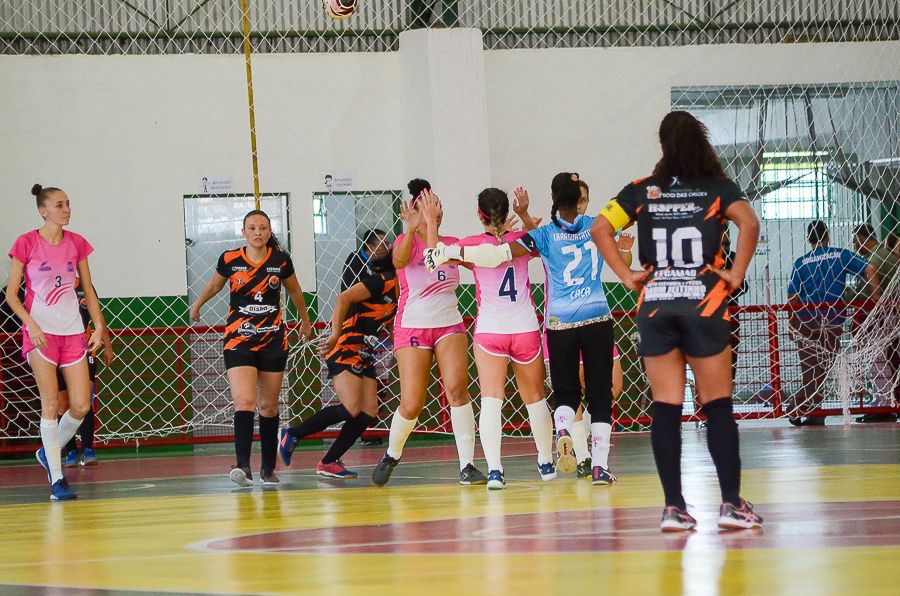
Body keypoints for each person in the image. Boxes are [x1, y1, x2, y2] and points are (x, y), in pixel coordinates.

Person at [591, 110, 763, 531]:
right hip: (704, 305)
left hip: (657, 307)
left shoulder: (641, 191)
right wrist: (736, 273)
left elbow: (599, 228)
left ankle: (673, 507)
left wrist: (627, 274)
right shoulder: (719, 189)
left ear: (663, 145)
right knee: (717, 404)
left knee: (665, 407)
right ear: (701, 142)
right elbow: (750, 223)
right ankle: (730, 504)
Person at [422, 189, 556, 490]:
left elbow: (432, 260)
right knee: (535, 398)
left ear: (479, 214)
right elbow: (544, 243)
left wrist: (431, 223)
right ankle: (546, 462)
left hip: (490, 331)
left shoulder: (470, 245)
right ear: (505, 210)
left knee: (491, 400)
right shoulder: (520, 242)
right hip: (524, 328)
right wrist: (523, 218)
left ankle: (495, 470)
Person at [371, 179, 486, 487]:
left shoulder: (450, 242)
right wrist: (411, 229)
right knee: (411, 403)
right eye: (429, 207)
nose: (436, 212)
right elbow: (398, 261)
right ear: (416, 212)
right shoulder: (403, 241)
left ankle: (467, 466)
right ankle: (392, 454)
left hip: (449, 325)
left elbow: (451, 262)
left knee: (458, 391)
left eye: (439, 206)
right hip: (412, 327)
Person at [190, 210, 313, 487]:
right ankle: (243, 466)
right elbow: (214, 286)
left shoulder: (280, 261)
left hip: (272, 340)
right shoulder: (230, 259)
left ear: (269, 233)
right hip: (239, 340)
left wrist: (305, 321)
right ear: (244, 232)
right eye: (252, 228)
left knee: (268, 406)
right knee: (244, 402)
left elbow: (295, 291)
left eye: (263, 228)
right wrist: (198, 305)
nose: (258, 232)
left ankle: (268, 469)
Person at [6, 184, 107, 501]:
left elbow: (88, 289)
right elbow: (11, 295)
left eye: (68, 204)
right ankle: (57, 479)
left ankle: (47, 452)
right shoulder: (26, 242)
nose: (66, 209)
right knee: (50, 405)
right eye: (59, 205)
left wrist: (99, 327)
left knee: (80, 404)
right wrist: (31, 325)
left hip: (74, 333)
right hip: (41, 335)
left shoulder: (77, 243)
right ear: (43, 210)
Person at [278, 254, 397, 478]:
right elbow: (343, 298)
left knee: (369, 411)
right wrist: (335, 334)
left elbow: (389, 326)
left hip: (364, 351)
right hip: (344, 346)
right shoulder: (382, 281)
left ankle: (329, 461)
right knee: (351, 407)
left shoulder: (403, 293)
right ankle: (292, 434)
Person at [787, 220, 877, 426]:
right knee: (824, 367)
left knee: (810, 369)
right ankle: (803, 408)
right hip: (832, 320)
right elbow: (869, 269)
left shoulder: (801, 263)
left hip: (807, 320)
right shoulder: (841, 255)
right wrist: (876, 300)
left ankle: (805, 408)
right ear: (827, 236)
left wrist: (791, 323)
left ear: (809, 240)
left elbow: (793, 297)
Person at [60, 277, 113, 466]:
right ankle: (71, 451)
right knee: (63, 403)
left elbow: (98, 316)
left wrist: (107, 346)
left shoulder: (86, 286)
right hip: (61, 346)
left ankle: (88, 449)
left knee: (85, 398)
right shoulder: (53, 284)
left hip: (85, 345)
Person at [849, 223, 897, 422]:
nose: (854, 245)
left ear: (862, 238)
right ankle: (886, 401)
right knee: (888, 359)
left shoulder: (873, 260)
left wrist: (848, 296)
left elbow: (867, 292)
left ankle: (883, 404)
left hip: (878, 316)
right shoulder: (888, 255)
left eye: (855, 241)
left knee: (878, 361)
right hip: (891, 316)